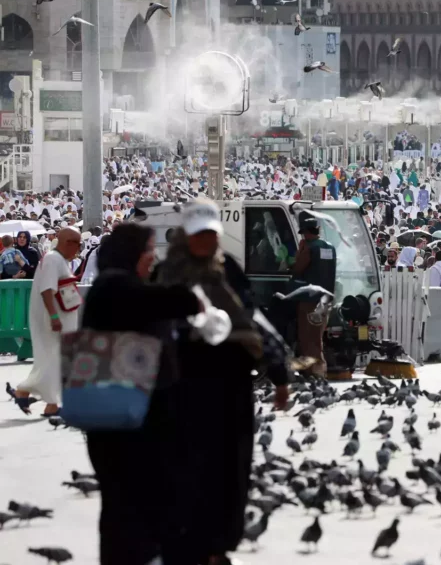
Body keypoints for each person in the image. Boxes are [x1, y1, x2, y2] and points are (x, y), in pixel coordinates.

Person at [155, 198, 289, 565]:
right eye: (200, 235)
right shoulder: (167, 274)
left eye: (212, 235)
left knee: (229, 468)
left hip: (229, 387)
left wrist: (279, 374)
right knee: (185, 468)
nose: (207, 243)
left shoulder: (227, 269)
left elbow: (250, 319)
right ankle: (189, 546)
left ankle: (217, 547)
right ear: (186, 235)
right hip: (181, 388)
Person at [81, 223, 204, 565]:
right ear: (131, 253)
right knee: (131, 510)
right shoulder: (114, 286)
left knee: (130, 509)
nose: (153, 257)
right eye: (150, 250)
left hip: (132, 419)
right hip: (124, 423)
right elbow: (179, 301)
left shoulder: (120, 287)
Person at [13, 228, 82, 416]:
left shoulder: (59, 260)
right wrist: (53, 317)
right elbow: (47, 290)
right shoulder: (53, 259)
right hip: (53, 320)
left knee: (55, 360)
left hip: (61, 319)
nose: (78, 249)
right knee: (54, 359)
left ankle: (48, 402)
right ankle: (30, 393)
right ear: (68, 243)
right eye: (77, 244)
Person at [290, 217, 336, 377]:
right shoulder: (330, 248)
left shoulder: (309, 248)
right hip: (326, 299)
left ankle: (314, 372)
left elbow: (297, 269)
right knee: (318, 336)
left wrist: (300, 252)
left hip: (310, 301)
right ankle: (318, 371)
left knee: (308, 338)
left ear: (307, 232)